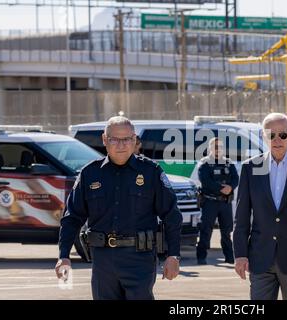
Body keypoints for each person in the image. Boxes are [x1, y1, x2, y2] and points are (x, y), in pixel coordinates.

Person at [55, 116, 182, 300]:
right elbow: (72, 218)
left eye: (127, 139)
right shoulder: (90, 174)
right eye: (114, 139)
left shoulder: (150, 172)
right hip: (103, 261)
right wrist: (63, 255)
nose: (121, 145)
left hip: (140, 260)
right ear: (105, 140)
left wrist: (174, 255)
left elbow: (171, 215)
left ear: (134, 140)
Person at [233, 113, 287, 300]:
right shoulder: (251, 168)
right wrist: (240, 254)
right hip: (260, 258)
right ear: (264, 136)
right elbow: (241, 216)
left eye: (282, 135)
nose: (277, 140)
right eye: (271, 135)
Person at [196, 137, 239, 265]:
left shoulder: (228, 162)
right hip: (210, 202)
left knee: (227, 231)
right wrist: (222, 189)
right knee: (206, 230)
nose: (218, 149)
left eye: (220, 147)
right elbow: (206, 181)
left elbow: (235, 178)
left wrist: (231, 187)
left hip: (225, 202)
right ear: (210, 148)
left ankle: (229, 257)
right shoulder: (204, 163)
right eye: (215, 147)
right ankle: (201, 256)